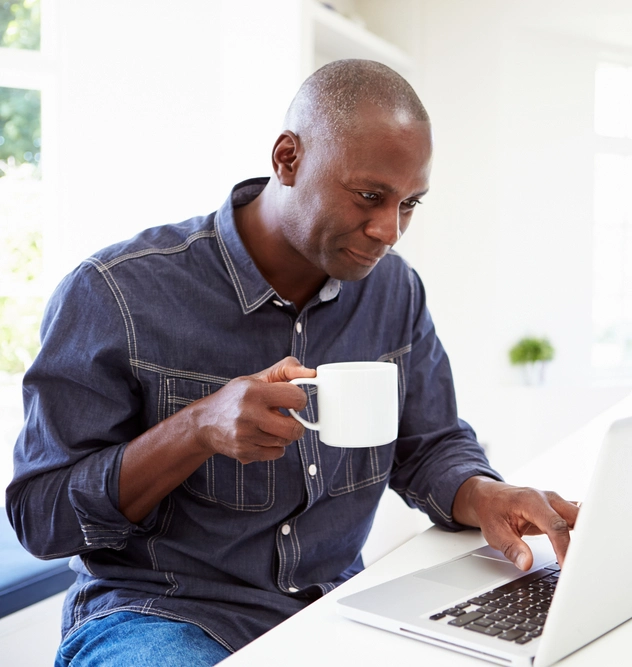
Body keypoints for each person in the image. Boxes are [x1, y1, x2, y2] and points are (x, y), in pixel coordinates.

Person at [6, 59, 578, 666]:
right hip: (161, 619)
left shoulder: (394, 292)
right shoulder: (115, 293)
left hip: (334, 610)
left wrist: (485, 492)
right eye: (369, 196)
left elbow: (429, 445)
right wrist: (197, 429)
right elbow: (41, 517)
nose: (389, 230)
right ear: (288, 159)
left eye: (409, 204)